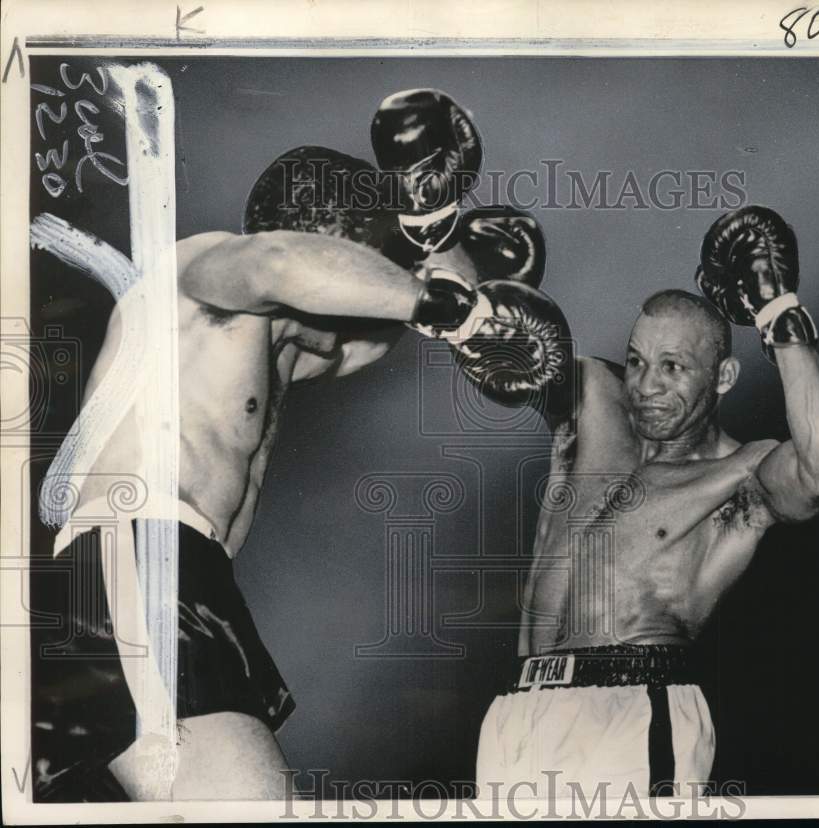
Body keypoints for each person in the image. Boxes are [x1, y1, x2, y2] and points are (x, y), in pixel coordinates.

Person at [30, 90, 512, 802]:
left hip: (177, 576)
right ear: (327, 237)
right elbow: (284, 263)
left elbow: (451, 335)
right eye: (365, 253)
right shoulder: (207, 269)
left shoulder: (291, 346)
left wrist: (434, 229)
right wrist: (435, 301)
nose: (373, 273)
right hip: (139, 558)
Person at [466, 205, 819, 799]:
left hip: (632, 710)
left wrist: (777, 309)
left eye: (673, 367)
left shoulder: (739, 475)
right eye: (638, 361)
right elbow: (489, 339)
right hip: (519, 709)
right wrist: (457, 255)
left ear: (723, 377)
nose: (647, 384)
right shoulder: (594, 401)